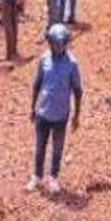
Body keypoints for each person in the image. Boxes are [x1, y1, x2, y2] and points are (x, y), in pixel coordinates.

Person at [27, 24, 83, 194]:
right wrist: (32, 108)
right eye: (54, 43)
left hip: (61, 115)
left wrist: (76, 115)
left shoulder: (72, 64)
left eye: (61, 44)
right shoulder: (43, 60)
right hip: (43, 113)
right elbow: (37, 84)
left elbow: (77, 90)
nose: (57, 47)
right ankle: (37, 177)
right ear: (49, 43)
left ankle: (53, 178)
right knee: (40, 147)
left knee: (57, 147)